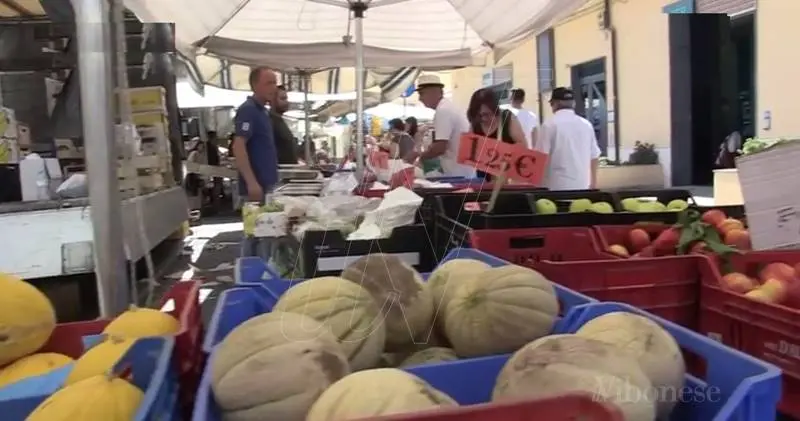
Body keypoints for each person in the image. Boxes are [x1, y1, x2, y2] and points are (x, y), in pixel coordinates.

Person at [231, 66, 279, 258]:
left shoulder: (263, 112)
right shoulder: (248, 110)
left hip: (266, 184)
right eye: (269, 83)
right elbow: (238, 146)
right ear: (255, 85)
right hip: (257, 187)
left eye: (275, 83)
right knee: (254, 234)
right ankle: (250, 270)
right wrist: (251, 182)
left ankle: (260, 268)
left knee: (264, 234)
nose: (274, 88)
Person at [534, 87, 601, 190]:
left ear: (555, 103)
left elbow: (541, 157)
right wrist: (593, 183)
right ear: (573, 103)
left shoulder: (549, 125)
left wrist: (537, 184)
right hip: (582, 186)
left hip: (556, 187)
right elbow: (594, 156)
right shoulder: (586, 125)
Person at [406, 74, 474, 177]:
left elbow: (440, 148)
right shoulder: (447, 107)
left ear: (435, 92)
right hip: (461, 170)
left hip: (458, 173)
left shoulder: (443, 110)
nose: (420, 99)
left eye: (422, 93)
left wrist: (420, 158)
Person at [467, 88, 527, 181]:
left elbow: (523, 146)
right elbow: (469, 150)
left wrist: (502, 155)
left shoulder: (507, 118)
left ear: (495, 109)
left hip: (508, 178)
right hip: (483, 178)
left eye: (487, 114)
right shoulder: (476, 123)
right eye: (479, 115)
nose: (483, 119)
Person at [269, 85, 299, 165]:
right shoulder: (270, 121)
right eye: (282, 99)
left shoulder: (279, 120)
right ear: (272, 100)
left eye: (286, 99)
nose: (286, 102)